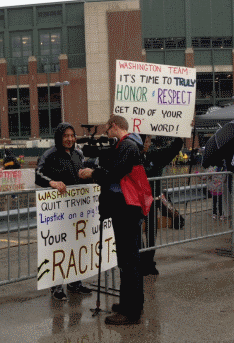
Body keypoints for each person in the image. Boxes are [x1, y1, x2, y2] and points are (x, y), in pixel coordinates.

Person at [82, 115, 146, 325]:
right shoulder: (128, 145)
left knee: (129, 261)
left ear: (115, 126)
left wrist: (93, 172)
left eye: (108, 129)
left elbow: (114, 173)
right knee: (128, 259)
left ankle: (131, 311)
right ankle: (130, 303)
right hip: (126, 207)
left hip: (127, 208)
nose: (107, 133)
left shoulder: (128, 146)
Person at [35, 122, 94, 301]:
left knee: (76, 246)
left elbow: (82, 173)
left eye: (72, 135)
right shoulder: (50, 155)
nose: (70, 139)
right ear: (59, 138)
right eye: (66, 136)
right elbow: (37, 173)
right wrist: (51, 182)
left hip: (78, 209)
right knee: (58, 248)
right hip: (58, 212)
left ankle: (75, 282)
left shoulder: (78, 154)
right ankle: (56, 285)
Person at [140, 135, 183, 275]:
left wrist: (180, 133)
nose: (146, 144)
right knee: (137, 233)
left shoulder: (155, 155)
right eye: (143, 141)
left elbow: (173, 149)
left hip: (153, 201)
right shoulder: (131, 157)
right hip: (137, 202)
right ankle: (141, 261)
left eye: (148, 141)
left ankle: (149, 262)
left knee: (152, 233)